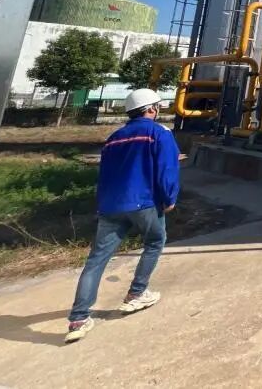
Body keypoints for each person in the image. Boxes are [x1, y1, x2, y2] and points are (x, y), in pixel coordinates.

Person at [65, 88, 180, 343]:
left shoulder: (114, 138)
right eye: (157, 106)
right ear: (151, 109)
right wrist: (169, 198)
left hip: (111, 205)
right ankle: (137, 293)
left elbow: (105, 173)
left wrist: (103, 203)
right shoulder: (159, 133)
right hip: (144, 201)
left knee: (96, 260)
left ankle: (78, 318)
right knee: (154, 241)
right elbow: (167, 169)